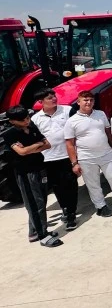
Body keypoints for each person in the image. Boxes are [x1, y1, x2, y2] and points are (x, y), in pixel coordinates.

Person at [65, 91, 112, 217]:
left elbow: (107, 132)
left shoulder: (100, 114)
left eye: (91, 100)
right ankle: (101, 206)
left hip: (106, 154)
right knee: (93, 184)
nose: (89, 102)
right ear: (78, 102)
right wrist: (74, 163)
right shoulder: (72, 121)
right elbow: (69, 143)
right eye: (85, 100)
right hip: (86, 158)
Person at [6, 106, 63, 247]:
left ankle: (34, 232)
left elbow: (47, 145)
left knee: (42, 201)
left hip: (39, 168)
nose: (26, 121)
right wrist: (37, 145)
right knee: (34, 204)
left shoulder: (32, 127)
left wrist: (30, 148)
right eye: (22, 120)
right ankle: (42, 235)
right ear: (12, 121)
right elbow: (22, 152)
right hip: (26, 173)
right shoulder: (10, 134)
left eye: (27, 118)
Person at [31, 88, 79, 229]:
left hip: (68, 155)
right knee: (57, 186)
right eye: (49, 97)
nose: (53, 99)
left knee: (71, 184)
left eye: (54, 96)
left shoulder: (67, 110)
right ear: (41, 102)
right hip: (49, 158)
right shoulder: (35, 119)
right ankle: (65, 208)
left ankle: (71, 213)